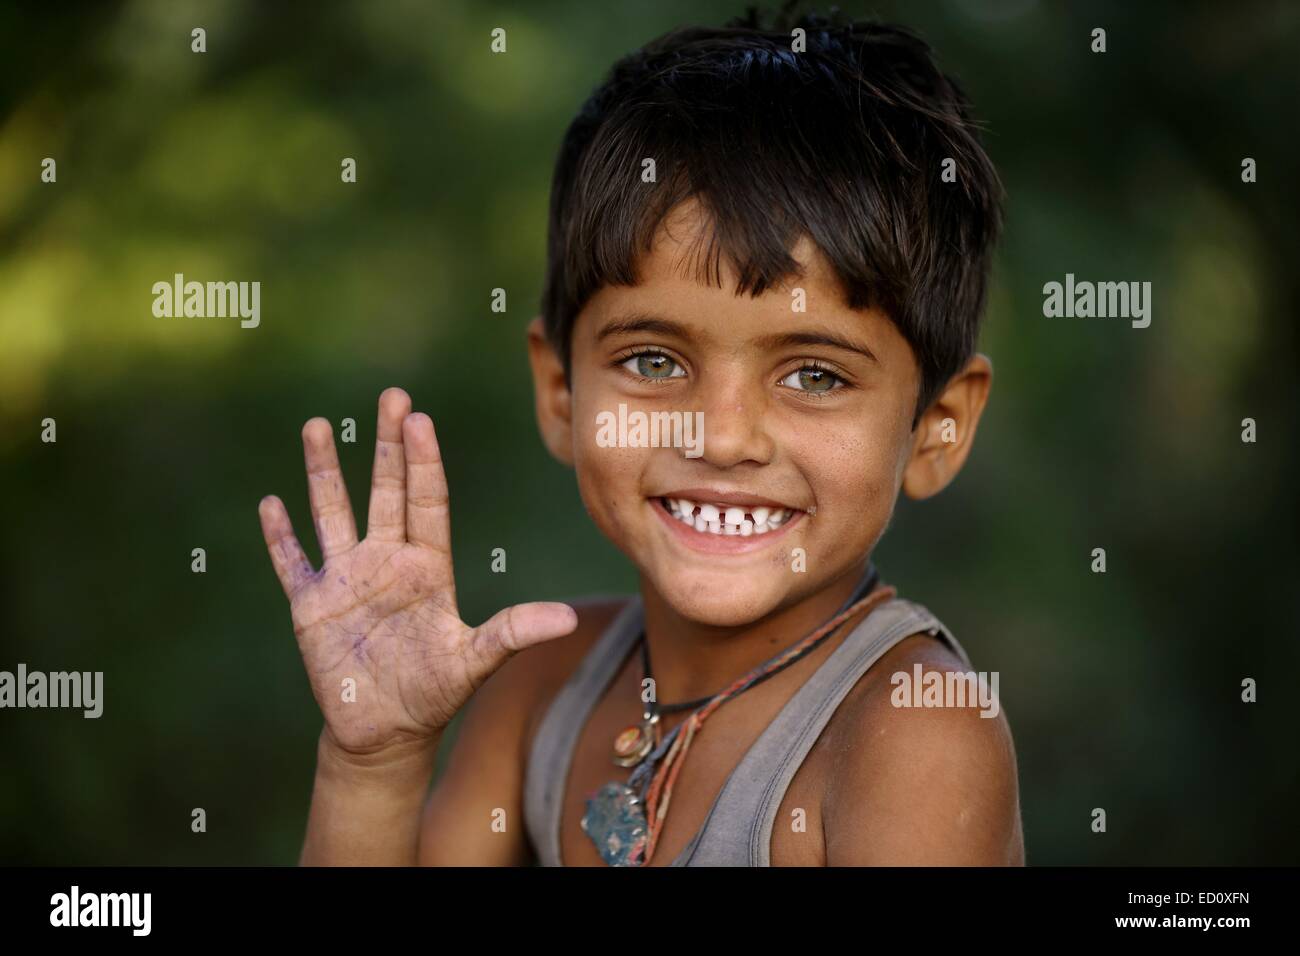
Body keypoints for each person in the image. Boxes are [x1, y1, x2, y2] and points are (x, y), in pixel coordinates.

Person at [258, 8, 1024, 866]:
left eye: (816, 375)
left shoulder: (914, 735)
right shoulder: (541, 684)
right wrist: (375, 763)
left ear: (937, 429)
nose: (725, 437)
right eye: (655, 361)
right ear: (561, 392)